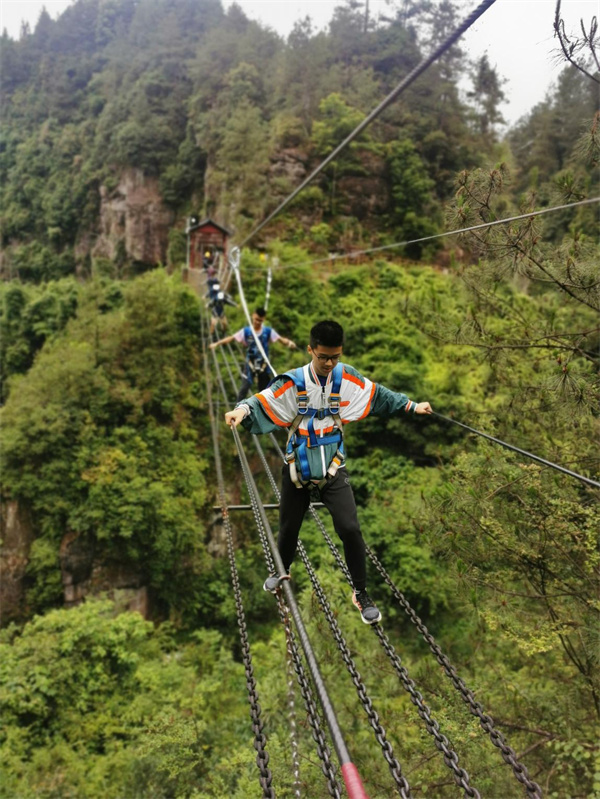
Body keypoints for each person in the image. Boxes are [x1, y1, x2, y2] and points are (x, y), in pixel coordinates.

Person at [224, 320, 432, 625]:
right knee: (288, 528)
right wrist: (240, 411)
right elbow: (261, 400)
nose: (329, 363)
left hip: (334, 467)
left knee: (350, 529)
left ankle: (360, 592)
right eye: (323, 357)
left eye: (335, 357)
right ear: (310, 350)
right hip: (298, 467)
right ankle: (281, 569)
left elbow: (379, 395)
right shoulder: (293, 382)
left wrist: (413, 406)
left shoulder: (346, 378)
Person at [210, 307, 297, 401]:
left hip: (263, 365)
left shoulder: (267, 332)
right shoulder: (247, 331)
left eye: (260, 320)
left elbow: (281, 340)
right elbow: (231, 338)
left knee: (265, 392)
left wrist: (289, 343)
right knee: (244, 388)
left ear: (264, 319)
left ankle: (263, 412)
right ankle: (237, 410)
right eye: (256, 319)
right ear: (252, 316)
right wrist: (217, 343)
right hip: (250, 364)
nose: (257, 322)